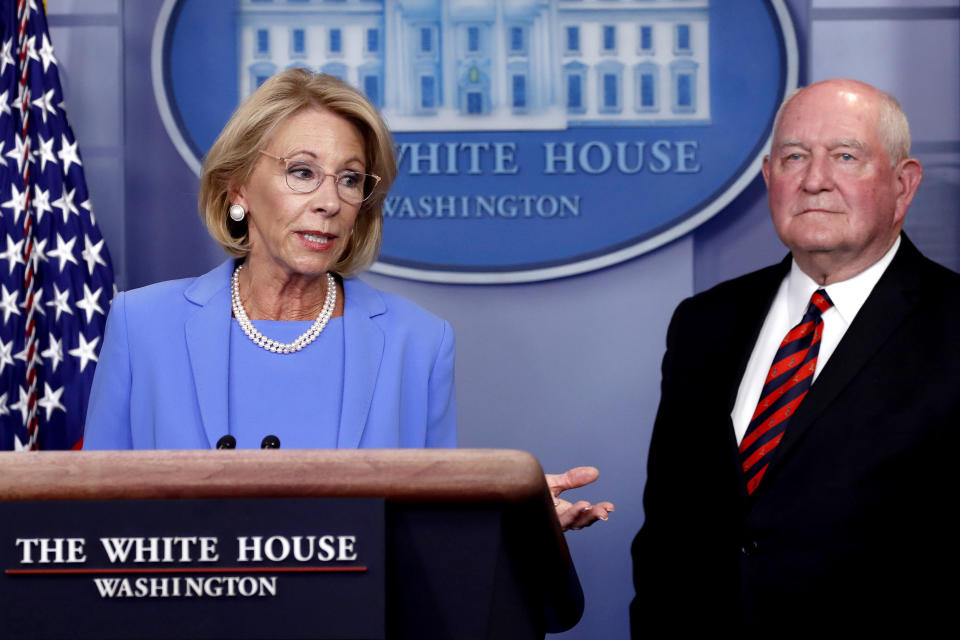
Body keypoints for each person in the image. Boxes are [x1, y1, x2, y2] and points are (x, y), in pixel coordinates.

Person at [83, 69, 611, 530]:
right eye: (303, 172)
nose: (330, 202)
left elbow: (438, 525)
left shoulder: (418, 342)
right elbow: (87, 513)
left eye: (351, 179)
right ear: (237, 188)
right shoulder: (142, 326)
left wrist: (516, 516)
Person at [631, 78, 959, 634]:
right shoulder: (703, 323)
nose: (814, 181)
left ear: (903, 186)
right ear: (768, 179)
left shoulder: (952, 324)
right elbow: (668, 532)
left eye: (846, 157)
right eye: (794, 158)